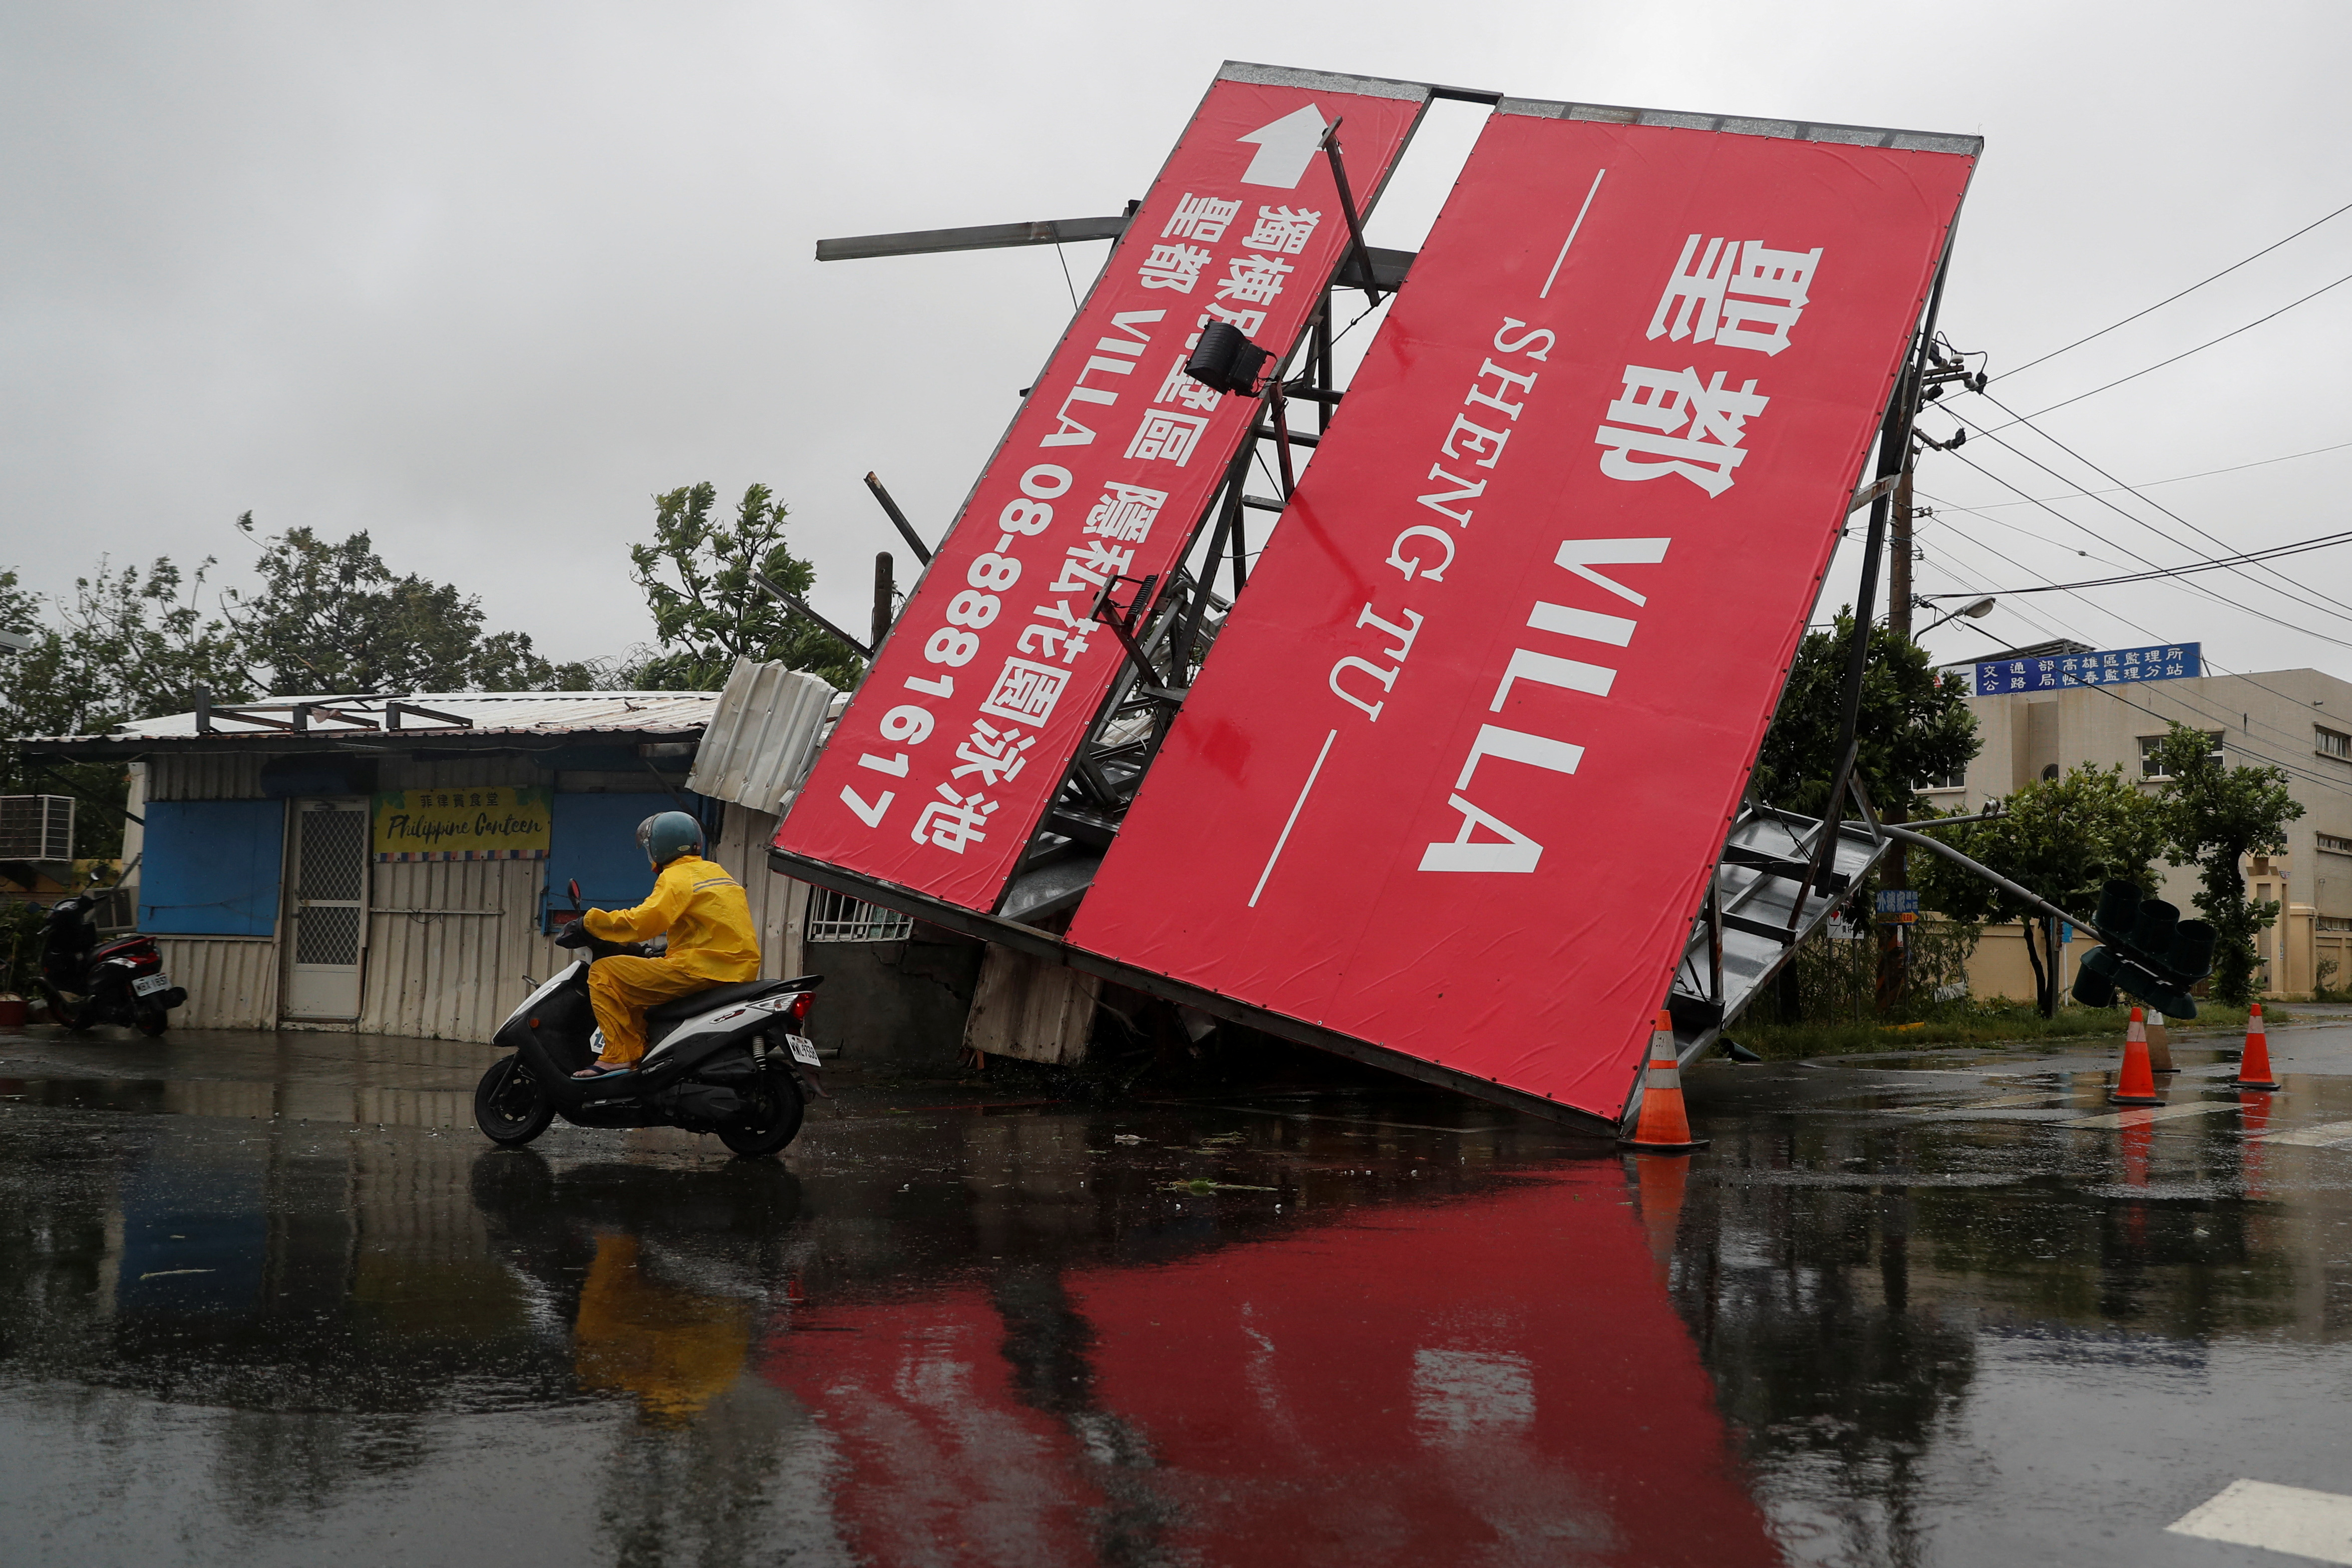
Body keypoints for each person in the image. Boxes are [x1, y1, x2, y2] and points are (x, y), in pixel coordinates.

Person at [572, 811, 760, 1078]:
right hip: (735, 968)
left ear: (660, 846)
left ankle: (618, 1057)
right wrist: (660, 951)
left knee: (604, 973)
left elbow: (642, 923)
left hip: (702, 969)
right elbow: (709, 927)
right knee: (637, 988)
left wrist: (590, 923)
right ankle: (646, 1058)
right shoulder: (716, 872)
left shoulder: (676, 877)